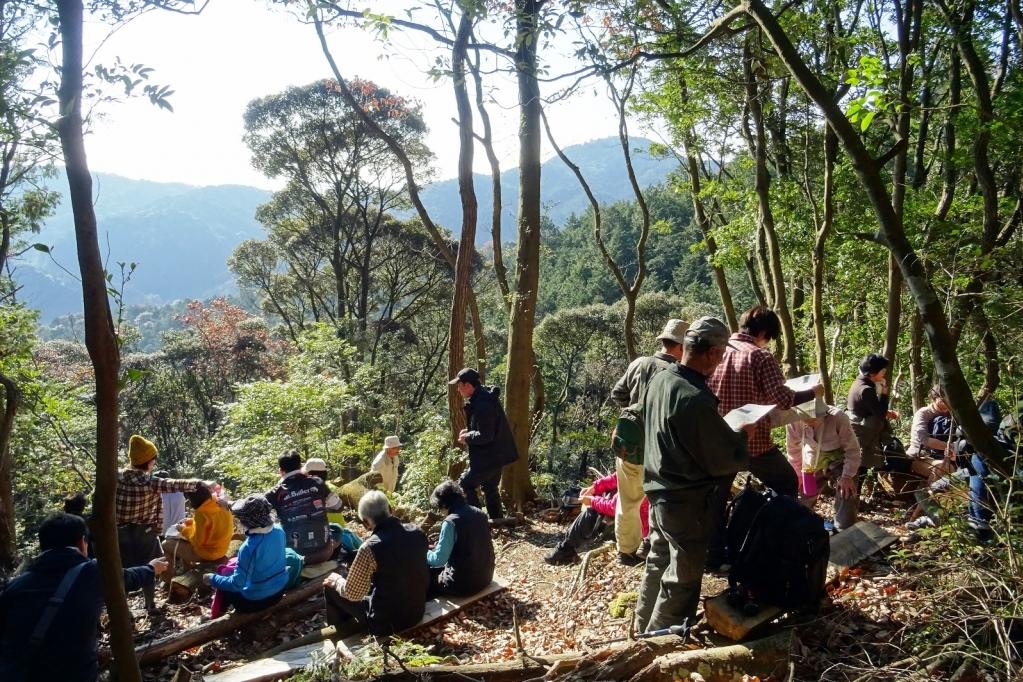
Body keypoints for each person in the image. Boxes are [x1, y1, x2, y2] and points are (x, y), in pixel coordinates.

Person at [634, 317, 751, 633]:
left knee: (658, 562)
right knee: (682, 578)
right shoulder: (693, 397)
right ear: (712, 353)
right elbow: (723, 459)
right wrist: (742, 437)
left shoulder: (660, 379)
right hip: (685, 499)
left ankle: (640, 632)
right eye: (722, 355)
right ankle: (657, 645)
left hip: (658, 487)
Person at [705, 306, 821, 570]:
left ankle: (715, 556)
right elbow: (781, 399)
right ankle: (776, 540)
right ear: (764, 332)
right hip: (753, 442)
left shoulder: (717, 352)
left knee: (716, 499)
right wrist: (811, 392)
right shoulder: (760, 356)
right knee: (787, 483)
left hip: (718, 441)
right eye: (770, 337)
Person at [0, 513, 167, 682]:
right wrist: (151, 569)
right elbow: (126, 578)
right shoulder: (93, 573)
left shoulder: (16, 585)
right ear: (82, 542)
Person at [609, 318, 686, 566]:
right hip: (659, 448)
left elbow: (617, 394)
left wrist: (633, 410)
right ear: (682, 346)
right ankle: (650, 544)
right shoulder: (676, 374)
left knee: (628, 500)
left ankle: (627, 550)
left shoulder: (639, 363)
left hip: (628, 441)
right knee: (658, 498)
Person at [322, 491, 429, 636]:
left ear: (366, 522)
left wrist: (337, 581)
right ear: (390, 509)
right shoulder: (417, 532)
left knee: (330, 586)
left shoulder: (369, 548)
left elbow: (352, 593)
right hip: (416, 612)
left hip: (386, 623)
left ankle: (338, 634)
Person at [115, 434, 201, 609]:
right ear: (148, 462)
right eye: (153, 460)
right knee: (150, 567)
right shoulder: (150, 482)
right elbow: (176, 484)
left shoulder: (115, 477)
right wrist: (201, 483)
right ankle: (150, 604)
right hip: (144, 533)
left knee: (121, 572)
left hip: (118, 533)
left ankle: (122, 609)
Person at [450, 368, 519, 519]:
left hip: (489, 457)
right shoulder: (482, 397)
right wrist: (469, 431)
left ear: (468, 385)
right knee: (490, 487)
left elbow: (486, 435)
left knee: (465, 484)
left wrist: (467, 437)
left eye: (459, 385)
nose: (458, 389)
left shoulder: (483, 403)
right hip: (496, 455)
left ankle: (477, 521)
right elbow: (485, 428)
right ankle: (498, 522)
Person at [203, 495, 289, 613]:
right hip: (280, 590)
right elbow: (252, 511)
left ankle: (218, 613)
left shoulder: (249, 548)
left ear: (246, 521)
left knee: (223, 576)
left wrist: (212, 579)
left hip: (256, 602)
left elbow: (236, 584)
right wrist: (227, 503)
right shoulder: (279, 530)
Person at [544, 471, 651, 566]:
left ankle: (566, 549)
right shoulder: (641, 465)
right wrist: (594, 488)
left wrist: (592, 501)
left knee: (594, 510)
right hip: (640, 525)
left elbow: (615, 507)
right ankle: (567, 547)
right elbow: (620, 476)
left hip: (643, 536)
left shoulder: (643, 476)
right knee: (598, 503)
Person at [785, 405, 862, 531]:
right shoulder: (793, 421)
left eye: (814, 416)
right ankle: (800, 528)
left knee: (846, 491)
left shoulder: (838, 417)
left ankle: (844, 531)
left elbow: (853, 450)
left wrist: (847, 476)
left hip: (840, 459)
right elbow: (793, 450)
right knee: (803, 494)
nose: (810, 420)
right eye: (805, 416)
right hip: (812, 459)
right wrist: (798, 475)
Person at [266, 450, 343, 564]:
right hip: (325, 552)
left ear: (280, 471)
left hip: (294, 556)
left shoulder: (273, 493)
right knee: (336, 529)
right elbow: (339, 507)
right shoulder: (317, 482)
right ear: (301, 466)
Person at [426, 480, 495, 596]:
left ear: (444, 504)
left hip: (464, 584)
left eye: (439, 507)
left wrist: (423, 552)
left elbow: (439, 560)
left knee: (427, 578)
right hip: (487, 576)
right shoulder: (480, 513)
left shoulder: (450, 522)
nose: (441, 512)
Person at [161, 483, 233, 580]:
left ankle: (167, 579)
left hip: (208, 553)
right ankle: (186, 571)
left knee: (165, 544)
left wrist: (182, 529)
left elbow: (197, 540)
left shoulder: (202, 512)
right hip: (222, 548)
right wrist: (191, 522)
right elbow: (211, 527)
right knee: (183, 541)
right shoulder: (218, 502)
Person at [846, 354, 899, 471]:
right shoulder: (866, 389)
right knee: (861, 467)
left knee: (862, 467)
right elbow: (880, 413)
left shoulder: (860, 382)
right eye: (882, 370)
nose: (884, 373)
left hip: (861, 429)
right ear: (873, 373)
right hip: (863, 432)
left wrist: (886, 411)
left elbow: (871, 407)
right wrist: (884, 393)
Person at [905, 385, 957, 482]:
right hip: (920, 457)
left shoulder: (953, 414)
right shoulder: (923, 413)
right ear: (934, 398)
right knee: (943, 468)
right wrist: (951, 447)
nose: (946, 401)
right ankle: (930, 494)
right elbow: (923, 439)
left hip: (946, 456)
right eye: (943, 399)